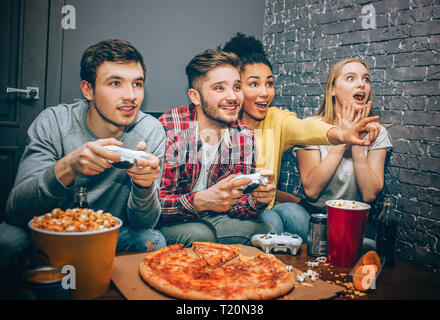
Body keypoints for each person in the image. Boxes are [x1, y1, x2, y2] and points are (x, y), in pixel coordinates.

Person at [1, 39, 166, 298]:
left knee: (153, 240)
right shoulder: (54, 122)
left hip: (110, 234)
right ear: (88, 90)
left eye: (138, 83)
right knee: (7, 241)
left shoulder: (150, 131)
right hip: (52, 234)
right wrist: (68, 167)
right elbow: (15, 211)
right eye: (115, 83)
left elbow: (144, 222)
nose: (131, 96)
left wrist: (144, 186)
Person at [222, 33, 381, 240]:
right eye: (254, 84)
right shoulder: (221, 121)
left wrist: (342, 134)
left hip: (262, 212)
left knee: (280, 217)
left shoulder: (277, 120)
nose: (265, 92)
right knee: (276, 219)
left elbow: (306, 129)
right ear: (236, 87)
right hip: (226, 211)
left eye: (269, 83)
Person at [158, 49, 276, 247]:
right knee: (201, 234)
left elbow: (237, 206)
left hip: (214, 217)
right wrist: (199, 201)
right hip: (170, 220)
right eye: (219, 88)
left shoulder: (244, 136)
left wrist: (258, 200)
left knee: (267, 232)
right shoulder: (170, 128)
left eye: (237, 87)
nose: (232, 97)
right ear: (195, 97)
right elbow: (153, 206)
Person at [295, 58, 392, 214]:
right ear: (332, 89)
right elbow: (312, 190)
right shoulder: (311, 126)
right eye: (351, 78)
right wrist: (343, 138)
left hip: (355, 219)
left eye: (366, 79)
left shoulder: (377, 133)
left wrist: (357, 143)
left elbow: (369, 195)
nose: (361, 84)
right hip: (313, 214)